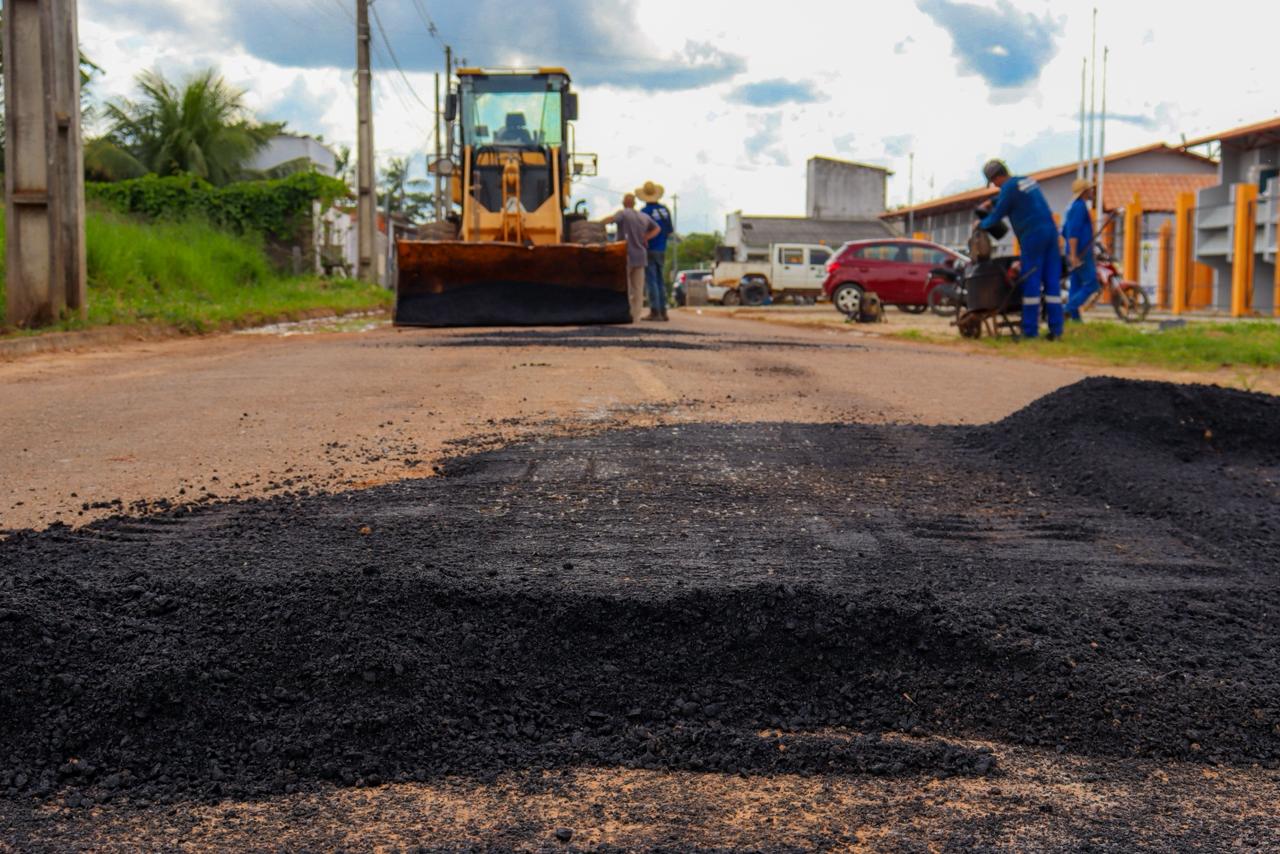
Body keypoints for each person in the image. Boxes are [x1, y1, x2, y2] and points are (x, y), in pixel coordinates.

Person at [976, 159, 1064, 340]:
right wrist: (991, 202)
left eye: (994, 182)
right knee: (1052, 284)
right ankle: (1056, 331)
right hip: (1051, 234)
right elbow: (1011, 197)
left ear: (996, 177)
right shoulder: (1026, 180)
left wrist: (980, 224)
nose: (995, 186)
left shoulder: (1008, 189)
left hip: (1033, 236)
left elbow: (997, 215)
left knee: (1031, 281)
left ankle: (1030, 332)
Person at [600, 194, 660, 322]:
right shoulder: (644, 216)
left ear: (624, 202)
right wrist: (646, 237)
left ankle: (625, 314)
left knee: (625, 287)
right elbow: (657, 228)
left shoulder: (623, 214)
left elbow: (612, 219)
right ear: (634, 203)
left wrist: (598, 223)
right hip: (641, 256)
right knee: (638, 289)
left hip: (625, 255)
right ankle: (636, 317)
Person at [636, 180, 674, 321]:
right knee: (660, 280)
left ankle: (655, 311)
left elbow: (640, 231)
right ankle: (663, 311)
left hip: (649, 248)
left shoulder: (645, 212)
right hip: (662, 249)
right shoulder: (665, 210)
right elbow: (669, 231)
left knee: (651, 281)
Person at [1062, 178, 1099, 322]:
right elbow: (1073, 233)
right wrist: (1074, 255)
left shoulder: (1072, 207)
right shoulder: (1079, 208)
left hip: (1075, 251)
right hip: (1080, 253)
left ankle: (1075, 321)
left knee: (1076, 285)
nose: (1092, 191)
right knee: (1092, 284)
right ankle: (1068, 309)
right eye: (1090, 189)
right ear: (1085, 192)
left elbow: (1065, 231)